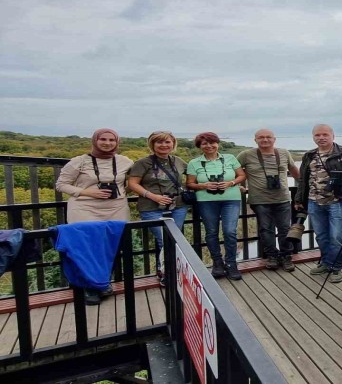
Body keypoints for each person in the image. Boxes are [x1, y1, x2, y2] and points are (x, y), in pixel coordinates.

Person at [55, 128, 133, 305]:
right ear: (95, 141)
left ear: (117, 142)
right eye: (103, 139)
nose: (107, 143)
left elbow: (134, 181)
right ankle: (90, 286)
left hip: (116, 206)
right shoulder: (79, 161)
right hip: (84, 206)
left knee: (112, 244)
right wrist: (86, 192)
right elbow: (61, 185)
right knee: (87, 246)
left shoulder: (124, 161)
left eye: (112, 140)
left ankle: (103, 282)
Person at [127, 131, 189, 285]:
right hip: (151, 207)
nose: (164, 145)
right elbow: (132, 184)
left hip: (177, 206)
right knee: (165, 239)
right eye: (159, 142)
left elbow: (195, 176)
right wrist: (152, 196)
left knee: (174, 239)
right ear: (152, 144)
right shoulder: (143, 163)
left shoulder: (178, 161)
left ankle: (171, 270)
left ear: (173, 144)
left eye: (167, 142)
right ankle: (165, 272)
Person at [294, 124, 342, 284]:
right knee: (321, 235)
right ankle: (326, 263)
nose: (321, 137)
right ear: (313, 137)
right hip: (314, 202)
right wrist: (299, 199)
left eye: (325, 134)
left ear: (333, 136)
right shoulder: (309, 155)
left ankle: (336, 268)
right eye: (317, 135)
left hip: (337, 202)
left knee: (337, 237)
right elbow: (303, 180)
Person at [237, 129, 300, 272]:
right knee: (266, 229)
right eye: (261, 137)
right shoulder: (246, 155)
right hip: (259, 199)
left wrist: (303, 185)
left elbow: (294, 170)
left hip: (282, 198)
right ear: (255, 140)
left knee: (285, 228)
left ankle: (286, 256)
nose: (265, 140)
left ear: (274, 139)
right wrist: (239, 185)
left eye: (268, 137)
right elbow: (234, 170)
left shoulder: (284, 153)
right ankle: (272, 256)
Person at [186, 132, 246, 280]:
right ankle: (217, 263)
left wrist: (231, 183)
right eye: (204, 143)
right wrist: (204, 186)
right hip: (206, 201)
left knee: (230, 231)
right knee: (211, 232)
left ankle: (231, 264)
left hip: (231, 199)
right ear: (199, 146)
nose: (209, 146)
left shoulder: (230, 158)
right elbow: (189, 184)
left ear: (218, 143)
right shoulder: (194, 163)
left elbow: (242, 175)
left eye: (212, 142)